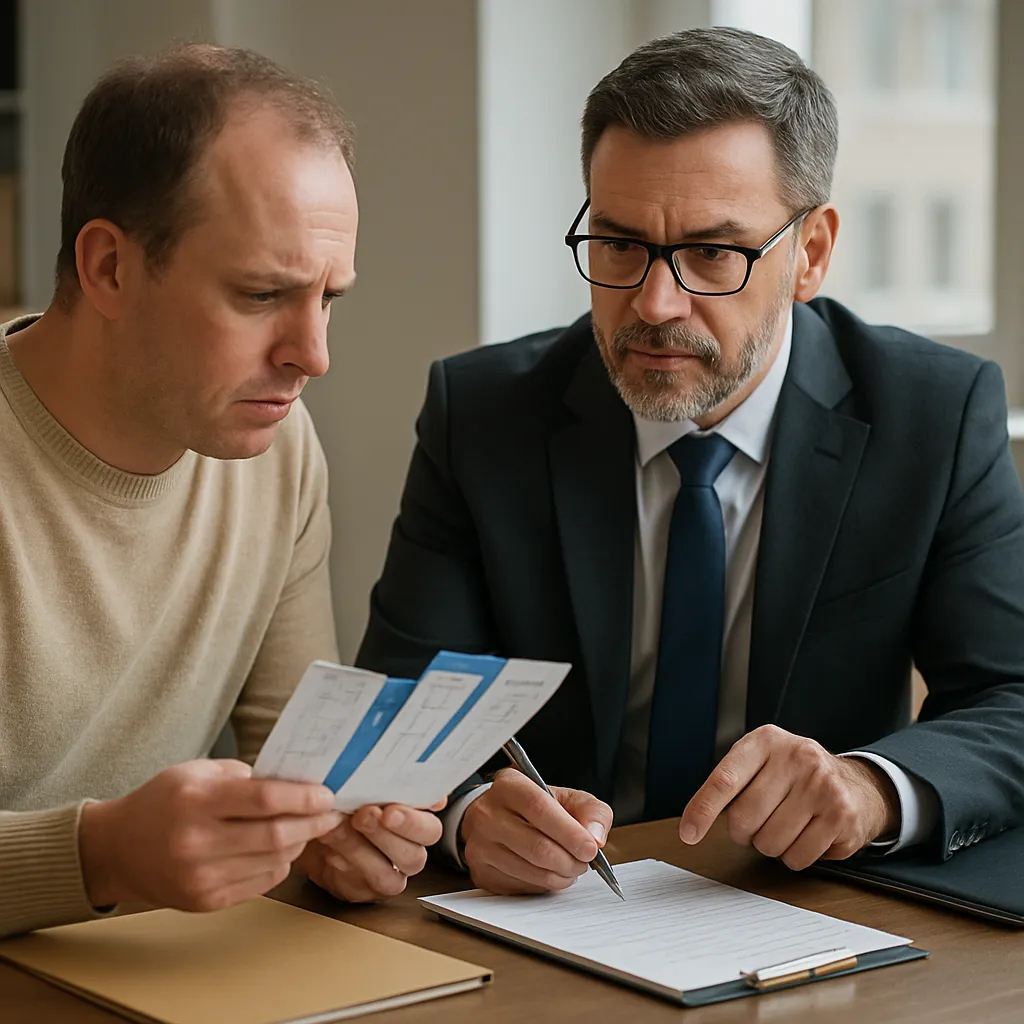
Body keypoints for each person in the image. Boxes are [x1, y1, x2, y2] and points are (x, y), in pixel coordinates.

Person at [357, 27, 1024, 897]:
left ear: (810, 253)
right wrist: (468, 813)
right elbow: (398, 715)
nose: (654, 303)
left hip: (810, 909)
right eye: (619, 244)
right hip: (554, 916)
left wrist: (867, 790)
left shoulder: (932, 414)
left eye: (713, 252)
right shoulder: (483, 415)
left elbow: (1012, 698)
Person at [0, 45, 442, 940]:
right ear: (110, 269)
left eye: (330, 299)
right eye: (261, 293)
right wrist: (101, 854)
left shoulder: (276, 452)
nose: (312, 355)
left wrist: (329, 833)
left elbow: (296, 766)